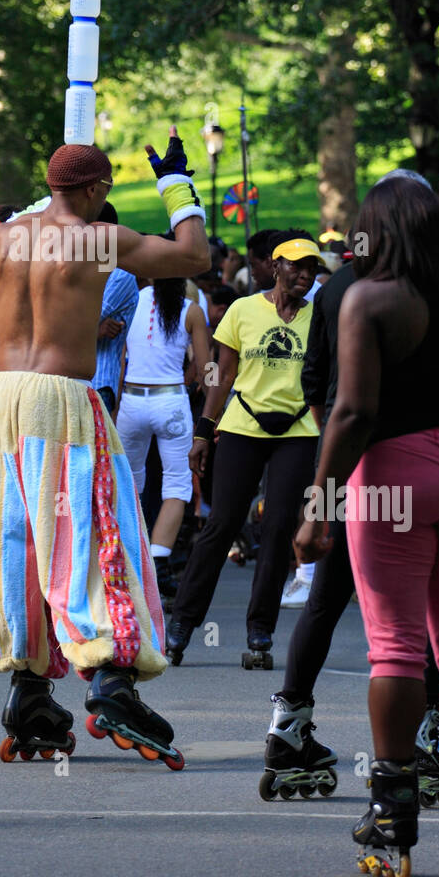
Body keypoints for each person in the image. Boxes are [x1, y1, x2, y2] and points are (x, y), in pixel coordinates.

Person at [0, 130, 209, 768]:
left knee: (14, 540)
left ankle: (29, 689)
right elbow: (193, 258)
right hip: (61, 398)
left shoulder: (2, 240)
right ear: (98, 190)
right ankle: (112, 678)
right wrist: (177, 186)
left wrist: (38, 208)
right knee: (95, 535)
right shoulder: (100, 238)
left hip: (0, 398)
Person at [295, 177, 439, 877]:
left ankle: (392, 816)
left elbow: (352, 412)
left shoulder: (368, 298)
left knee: (395, 647)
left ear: (373, 231)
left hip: (393, 474)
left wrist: (317, 505)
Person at [261, 175, 439, 807]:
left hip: (355, 462)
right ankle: (426, 738)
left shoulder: (342, 287)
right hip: (436, 463)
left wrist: (333, 472)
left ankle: (289, 726)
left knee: (327, 599)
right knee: (435, 615)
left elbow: (318, 385)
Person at [165, 234, 323, 666]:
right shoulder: (242, 310)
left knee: (276, 530)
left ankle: (260, 631)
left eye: (311, 270)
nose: (304, 276)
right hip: (243, 425)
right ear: (275, 267)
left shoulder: (321, 316)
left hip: (298, 429)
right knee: (221, 525)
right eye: (296, 267)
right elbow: (222, 374)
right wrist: (203, 431)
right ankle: (181, 624)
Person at [116, 275, 210, 598]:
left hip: (131, 399)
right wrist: (206, 403)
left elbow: (120, 357)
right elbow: (204, 367)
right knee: (177, 485)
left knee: (128, 482)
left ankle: (127, 557)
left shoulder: (133, 299)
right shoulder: (192, 310)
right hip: (170, 401)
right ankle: (158, 561)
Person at [90, 201, 139, 415]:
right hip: (73, 382)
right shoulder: (84, 267)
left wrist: (94, 330)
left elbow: (79, 320)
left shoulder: (120, 274)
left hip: (98, 383)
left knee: (90, 449)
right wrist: (96, 331)